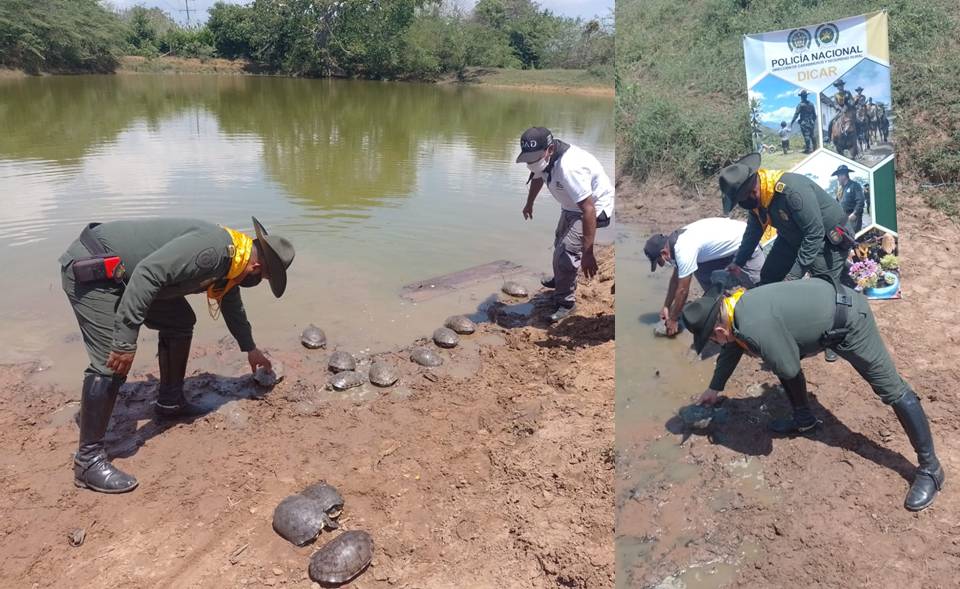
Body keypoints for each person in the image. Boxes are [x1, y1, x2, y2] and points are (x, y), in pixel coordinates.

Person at [59, 217, 295, 494]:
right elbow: (147, 273)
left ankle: (170, 403)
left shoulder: (234, 260)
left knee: (180, 320)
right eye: (265, 277)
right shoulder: (216, 253)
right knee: (111, 360)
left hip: (128, 276)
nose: (258, 281)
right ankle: (88, 462)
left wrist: (250, 348)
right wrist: (124, 341)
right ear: (256, 267)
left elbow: (230, 302)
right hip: (95, 271)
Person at [681, 278, 945, 512]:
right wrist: (715, 387)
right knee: (783, 360)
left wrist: (770, 350)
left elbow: (788, 367)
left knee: (892, 390)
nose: (716, 345)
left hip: (850, 320)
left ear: (718, 331)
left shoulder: (751, 327)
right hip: (829, 313)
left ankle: (930, 468)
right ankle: (804, 419)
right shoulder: (736, 308)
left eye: (713, 341)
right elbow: (734, 347)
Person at [719, 152, 853, 361]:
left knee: (825, 287)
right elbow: (753, 233)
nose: (740, 203)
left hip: (829, 238)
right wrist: (738, 262)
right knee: (769, 275)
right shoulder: (757, 201)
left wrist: (793, 277)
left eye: (740, 199)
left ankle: (835, 339)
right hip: (794, 236)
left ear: (752, 190)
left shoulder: (789, 191)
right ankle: (767, 324)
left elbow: (815, 233)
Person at [516, 127, 614, 322]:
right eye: (528, 159)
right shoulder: (543, 161)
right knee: (559, 241)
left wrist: (588, 253)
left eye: (535, 159)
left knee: (567, 252)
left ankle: (566, 303)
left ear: (550, 150)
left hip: (593, 208)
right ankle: (561, 279)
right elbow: (538, 177)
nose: (531, 163)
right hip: (571, 206)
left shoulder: (569, 168)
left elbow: (589, 210)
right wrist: (529, 203)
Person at [644, 218, 765, 337]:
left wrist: (673, 319)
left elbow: (683, 290)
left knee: (761, 289)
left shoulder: (684, 249)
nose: (663, 264)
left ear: (664, 253)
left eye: (660, 262)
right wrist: (666, 306)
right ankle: (721, 305)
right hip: (724, 246)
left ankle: (758, 329)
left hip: (746, 241)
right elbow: (675, 280)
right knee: (697, 268)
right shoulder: (674, 242)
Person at [833, 164, 866, 233]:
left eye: (838, 176)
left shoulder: (854, 185)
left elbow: (861, 201)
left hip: (853, 216)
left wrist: (855, 213)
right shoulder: (840, 189)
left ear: (844, 175)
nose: (837, 178)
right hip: (844, 217)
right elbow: (836, 202)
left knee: (853, 237)